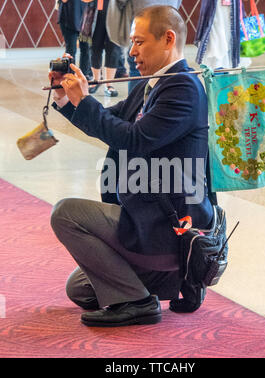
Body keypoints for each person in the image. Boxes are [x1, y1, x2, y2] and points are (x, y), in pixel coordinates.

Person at [49, 6, 214, 327]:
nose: (132, 51)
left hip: (168, 225)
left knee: (64, 213)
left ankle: (139, 302)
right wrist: (66, 98)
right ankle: (168, 281)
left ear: (168, 39)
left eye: (139, 42)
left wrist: (85, 101)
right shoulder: (153, 83)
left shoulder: (183, 88)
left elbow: (134, 138)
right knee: (80, 289)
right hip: (148, 217)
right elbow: (110, 119)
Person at [81, 0, 123, 96]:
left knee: (113, 49)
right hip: (96, 14)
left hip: (115, 14)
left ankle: (109, 84)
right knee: (94, 48)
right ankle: (96, 80)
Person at [194, 0, 251, 69]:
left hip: (231, 8)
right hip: (215, 9)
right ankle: (218, 70)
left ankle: (225, 72)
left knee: (229, 40)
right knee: (216, 42)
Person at [57, 0, 92, 80]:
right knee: (71, 50)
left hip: (85, 17)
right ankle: (70, 76)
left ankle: (84, 75)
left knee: (86, 49)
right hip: (69, 17)